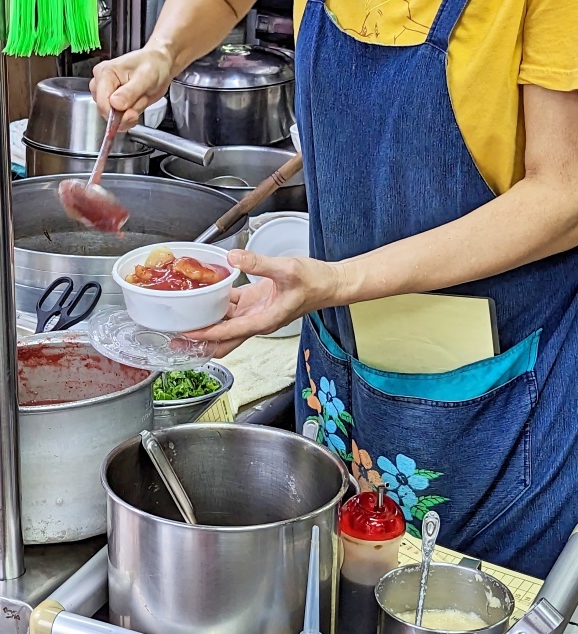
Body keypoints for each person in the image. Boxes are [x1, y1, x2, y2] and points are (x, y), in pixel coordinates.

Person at [91, 0, 578, 577]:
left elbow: (564, 196)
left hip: (496, 404)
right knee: (328, 589)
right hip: (339, 370)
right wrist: (163, 52)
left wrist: (340, 280)